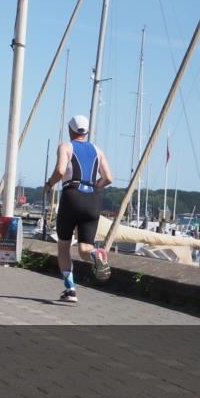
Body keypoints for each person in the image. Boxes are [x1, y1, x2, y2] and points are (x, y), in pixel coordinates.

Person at [43, 114, 114, 303]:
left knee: (64, 246)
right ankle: (95, 254)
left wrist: (49, 185)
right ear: (87, 131)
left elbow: (60, 171)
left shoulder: (66, 147)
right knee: (84, 248)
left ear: (70, 130)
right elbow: (108, 177)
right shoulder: (97, 150)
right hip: (92, 199)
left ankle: (70, 289)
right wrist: (95, 187)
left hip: (72, 195)